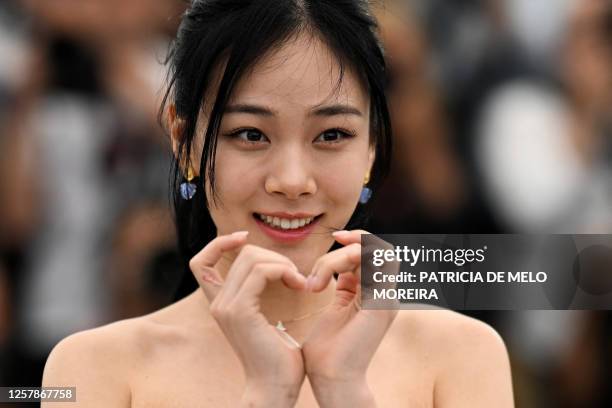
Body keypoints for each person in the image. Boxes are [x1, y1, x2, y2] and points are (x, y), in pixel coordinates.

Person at [41, 1, 514, 406]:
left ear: (371, 146)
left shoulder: (462, 356)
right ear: (183, 140)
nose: (292, 181)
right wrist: (267, 394)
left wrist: (345, 391)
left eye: (332, 135)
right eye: (251, 134)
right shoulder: (95, 369)